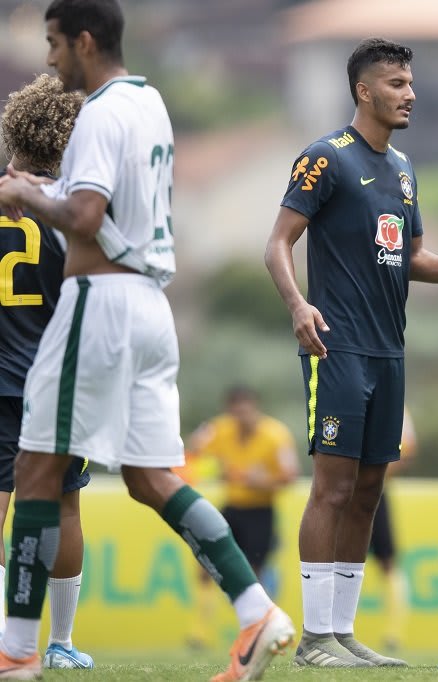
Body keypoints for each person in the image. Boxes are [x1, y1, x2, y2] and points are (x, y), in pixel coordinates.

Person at [0, 2, 294, 680]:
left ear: (82, 40)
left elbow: (83, 214)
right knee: (152, 477)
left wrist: (24, 191)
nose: (49, 60)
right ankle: (257, 611)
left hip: (99, 304)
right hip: (150, 308)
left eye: (52, 44)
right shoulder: (152, 104)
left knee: (37, 471)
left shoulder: (100, 111)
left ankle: (16, 651)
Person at [265, 37, 438, 669]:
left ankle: (342, 633)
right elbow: (276, 244)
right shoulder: (326, 158)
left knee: (371, 488)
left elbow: (410, 261)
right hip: (337, 348)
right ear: (364, 91)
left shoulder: (404, 169)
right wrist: (300, 307)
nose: (409, 93)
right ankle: (313, 638)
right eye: (397, 83)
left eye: (410, 82)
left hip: (388, 351)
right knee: (332, 487)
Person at [0, 73, 95, 671]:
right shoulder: (75, 212)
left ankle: (9, 648)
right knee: (63, 506)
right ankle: (59, 643)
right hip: (57, 380)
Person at [189, 386, 298, 578]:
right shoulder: (220, 428)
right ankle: (206, 608)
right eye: (236, 413)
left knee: (254, 571)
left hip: (261, 511)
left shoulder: (275, 434)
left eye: (245, 411)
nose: (241, 418)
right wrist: (215, 467)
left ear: (255, 407)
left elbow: (290, 475)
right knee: (206, 562)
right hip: (233, 507)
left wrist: (260, 480)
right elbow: (194, 449)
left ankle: (257, 606)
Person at [366, 408, 417, 653]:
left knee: (387, 562)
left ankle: (394, 633)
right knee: (338, 559)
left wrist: (370, 473)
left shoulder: (397, 403)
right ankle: (332, 628)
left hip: (375, 492)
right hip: (346, 491)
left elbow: (406, 451)